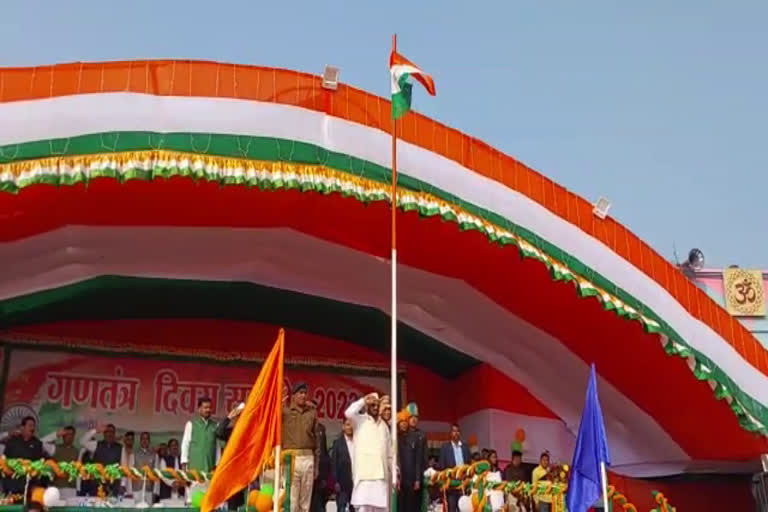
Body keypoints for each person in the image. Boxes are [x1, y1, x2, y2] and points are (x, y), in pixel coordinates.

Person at [344, 393, 392, 512]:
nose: (375, 407)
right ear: (367, 407)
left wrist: (394, 470)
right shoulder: (359, 420)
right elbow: (348, 413)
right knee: (364, 509)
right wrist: (363, 401)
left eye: (377, 405)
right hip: (364, 477)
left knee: (381, 509)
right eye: (372, 405)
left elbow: (389, 453)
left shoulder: (384, 426)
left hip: (380, 477)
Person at [282, 382, 319, 512]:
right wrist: (280, 402)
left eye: (305, 393)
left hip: (308, 458)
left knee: (305, 503)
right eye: (300, 393)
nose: (303, 396)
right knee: (291, 503)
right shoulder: (285, 412)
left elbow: (317, 440)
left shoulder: (312, 413)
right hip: (291, 460)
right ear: (293, 396)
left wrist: (316, 465)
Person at [2, 417, 50, 494]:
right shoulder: (12, 442)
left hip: (30, 485)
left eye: (34, 426)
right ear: (22, 427)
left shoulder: (37, 444)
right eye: (30, 425)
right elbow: (4, 461)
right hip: (13, 485)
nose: (32, 428)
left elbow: (40, 464)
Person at [216, 404, 246, 511]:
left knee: (246, 503)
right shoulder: (230, 432)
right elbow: (218, 432)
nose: (240, 418)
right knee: (232, 504)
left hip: (246, 473)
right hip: (231, 474)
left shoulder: (250, 432)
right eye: (238, 416)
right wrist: (229, 417)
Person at [80, 424, 123, 496]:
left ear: (114, 434)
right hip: (97, 486)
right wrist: (95, 431)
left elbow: (122, 467)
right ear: (104, 433)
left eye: (112, 432)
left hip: (113, 486)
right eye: (107, 431)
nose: (110, 434)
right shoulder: (96, 445)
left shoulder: (120, 448)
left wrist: (122, 484)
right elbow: (82, 442)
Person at [399, 404, 426, 512]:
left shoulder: (421, 435)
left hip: (415, 477)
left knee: (414, 506)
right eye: (411, 417)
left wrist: (418, 478)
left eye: (416, 417)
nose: (413, 420)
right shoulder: (398, 435)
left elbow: (422, 458)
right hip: (401, 478)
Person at [181, 397, 218, 474]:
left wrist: (217, 465)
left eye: (210, 407)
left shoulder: (215, 425)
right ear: (199, 409)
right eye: (205, 407)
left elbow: (217, 447)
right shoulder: (191, 424)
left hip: (210, 469)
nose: (208, 410)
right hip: (193, 469)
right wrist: (184, 464)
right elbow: (185, 445)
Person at [439, 424, 470, 512]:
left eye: (457, 431)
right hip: (451, 485)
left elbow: (469, 465)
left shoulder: (465, 447)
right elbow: (441, 466)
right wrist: (443, 483)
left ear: (460, 433)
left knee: (463, 509)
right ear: (450, 433)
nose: (456, 433)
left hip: (463, 485)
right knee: (451, 509)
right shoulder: (445, 447)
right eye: (453, 431)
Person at [331, 418, 354, 512]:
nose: (350, 427)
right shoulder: (337, 443)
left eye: (351, 425)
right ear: (343, 427)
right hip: (342, 483)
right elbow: (334, 464)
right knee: (341, 508)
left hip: (356, 483)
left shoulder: (358, 442)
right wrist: (336, 481)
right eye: (348, 425)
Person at [130, 432, 158, 503]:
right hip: (136, 489)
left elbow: (157, 475)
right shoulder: (133, 454)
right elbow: (130, 473)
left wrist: (155, 491)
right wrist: (130, 490)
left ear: (149, 441)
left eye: (147, 439)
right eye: (143, 439)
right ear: (140, 440)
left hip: (149, 489)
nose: (145, 441)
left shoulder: (154, 455)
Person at [310, 420, 330, 512]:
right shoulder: (307, 428)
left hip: (320, 477)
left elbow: (324, 453)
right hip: (307, 470)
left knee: (319, 504)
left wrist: (324, 477)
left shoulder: (321, 428)